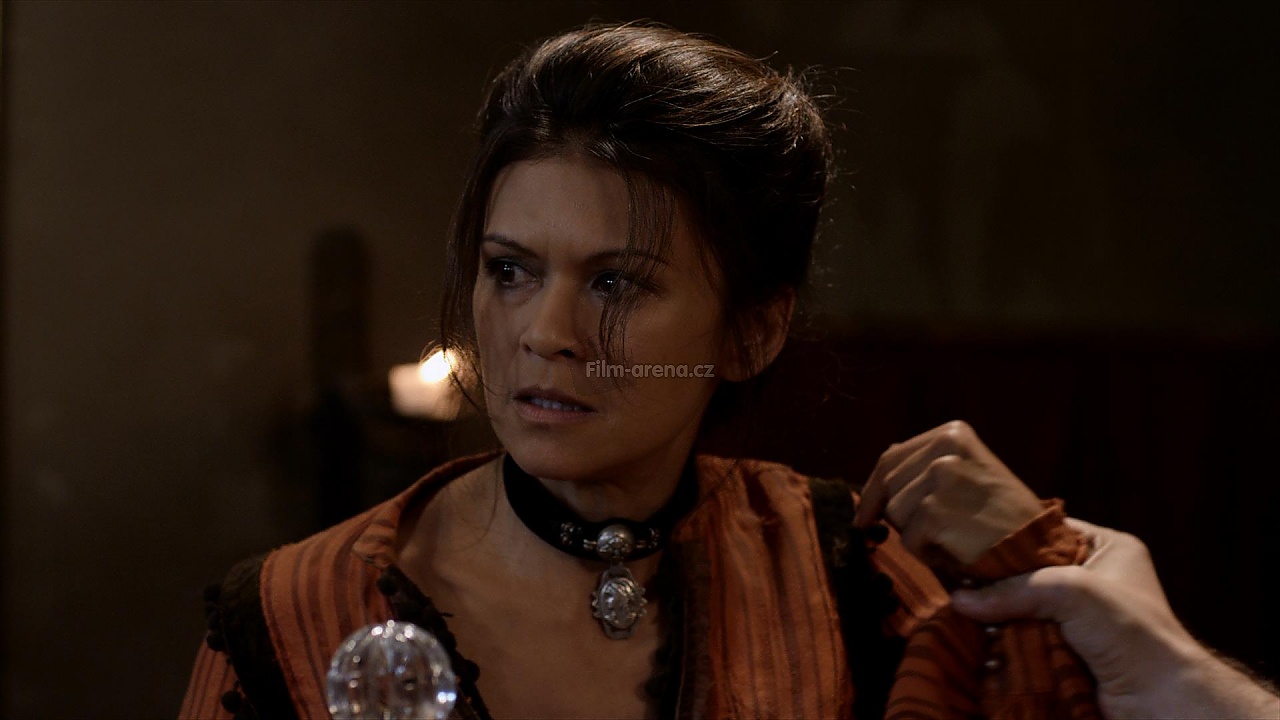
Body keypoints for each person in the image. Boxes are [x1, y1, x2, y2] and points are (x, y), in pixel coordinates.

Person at [179, 21, 1275, 720]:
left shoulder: (860, 587)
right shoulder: (295, 613)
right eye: (510, 270)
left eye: (617, 283)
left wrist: (1052, 568)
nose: (545, 332)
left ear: (751, 332)